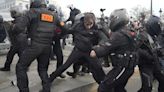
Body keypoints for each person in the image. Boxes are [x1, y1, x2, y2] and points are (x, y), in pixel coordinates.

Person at [12, 0, 64, 92]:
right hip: (47, 47)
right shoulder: (54, 15)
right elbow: (64, 28)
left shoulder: (32, 12)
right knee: (43, 69)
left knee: (21, 67)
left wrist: (14, 27)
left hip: (34, 46)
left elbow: (19, 28)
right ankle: (46, 89)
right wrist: (56, 37)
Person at [49, 12, 105, 84]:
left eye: (90, 24)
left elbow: (103, 38)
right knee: (65, 65)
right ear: (84, 22)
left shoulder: (98, 28)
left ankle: (104, 84)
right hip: (77, 50)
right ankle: (51, 78)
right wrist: (59, 29)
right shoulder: (78, 26)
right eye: (86, 24)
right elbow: (67, 30)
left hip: (90, 52)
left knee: (97, 67)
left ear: (93, 22)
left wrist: (99, 46)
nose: (88, 27)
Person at [90, 8, 137, 92]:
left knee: (104, 87)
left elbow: (107, 47)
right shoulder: (126, 31)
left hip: (122, 67)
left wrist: (95, 51)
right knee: (118, 88)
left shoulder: (119, 34)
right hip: (127, 67)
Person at [137, 15, 164, 92]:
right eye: (158, 25)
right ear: (153, 25)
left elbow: (156, 48)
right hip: (145, 65)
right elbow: (136, 49)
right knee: (147, 87)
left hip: (154, 63)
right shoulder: (142, 35)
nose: (160, 28)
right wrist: (148, 55)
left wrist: (160, 52)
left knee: (162, 80)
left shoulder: (154, 36)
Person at [48, 4, 66, 78]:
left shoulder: (57, 18)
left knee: (60, 57)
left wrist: (60, 35)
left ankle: (58, 71)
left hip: (55, 39)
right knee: (45, 59)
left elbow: (63, 26)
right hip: (46, 39)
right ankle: (44, 74)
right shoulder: (43, 17)